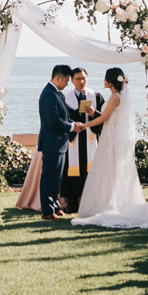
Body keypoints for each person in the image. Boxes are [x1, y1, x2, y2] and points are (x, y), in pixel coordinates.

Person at [71, 67, 148, 229]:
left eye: (105, 79)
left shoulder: (114, 98)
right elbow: (107, 116)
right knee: (110, 169)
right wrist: (93, 112)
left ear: (110, 81)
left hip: (111, 137)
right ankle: (110, 200)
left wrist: (84, 125)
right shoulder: (118, 97)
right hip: (111, 134)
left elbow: (104, 118)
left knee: (108, 169)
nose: (103, 81)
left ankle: (109, 203)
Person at [35, 65, 84, 221]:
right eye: (66, 80)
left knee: (57, 179)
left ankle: (55, 206)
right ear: (58, 78)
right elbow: (54, 120)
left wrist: (73, 123)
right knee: (49, 178)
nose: (67, 84)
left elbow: (64, 116)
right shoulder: (49, 94)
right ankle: (47, 211)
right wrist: (71, 127)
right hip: (51, 143)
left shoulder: (56, 94)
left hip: (59, 143)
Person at [61, 67, 94, 210]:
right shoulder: (66, 98)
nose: (81, 81)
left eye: (84, 78)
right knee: (73, 171)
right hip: (75, 139)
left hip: (90, 139)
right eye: (78, 79)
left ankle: (91, 201)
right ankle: (73, 202)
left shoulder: (95, 96)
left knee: (90, 170)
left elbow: (103, 117)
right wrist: (76, 118)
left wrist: (93, 113)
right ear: (72, 81)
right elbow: (63, 118)